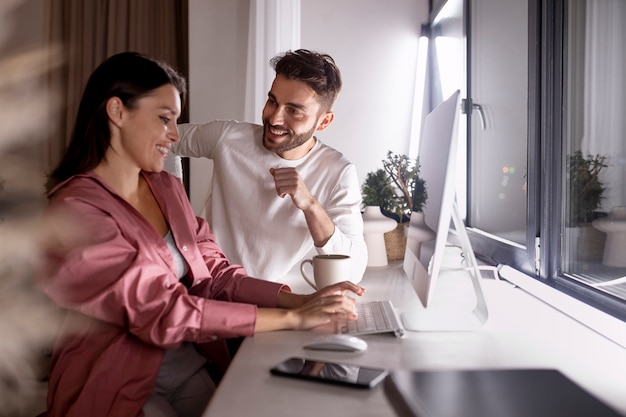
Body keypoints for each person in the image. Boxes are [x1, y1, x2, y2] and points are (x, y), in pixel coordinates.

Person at [37, 52, 364, 417]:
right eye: (164, 119)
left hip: (190, 362)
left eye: (175, 121)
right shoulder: (76, 209)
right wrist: (293, 319)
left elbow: (216, 275)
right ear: (117, 112)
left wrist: (300, 302)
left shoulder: (164, 187)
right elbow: (164, 311)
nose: (175, 135)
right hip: (117, 376)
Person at [166, 49, 368, 283]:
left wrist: (311, 206)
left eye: (293, 111)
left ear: (324, 121)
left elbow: (353, 271)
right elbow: (159, 140)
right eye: (272, 101)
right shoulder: (227, 137)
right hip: (204, 285)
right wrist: (175, 218)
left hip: (269, 300)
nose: (274, 119)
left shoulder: (338, 172)